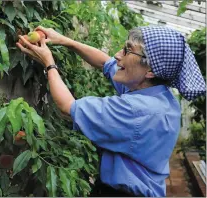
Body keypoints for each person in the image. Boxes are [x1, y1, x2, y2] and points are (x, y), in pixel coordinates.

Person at [16, 25, 206, 197]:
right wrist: (66, 41)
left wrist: (48, 62)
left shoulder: (136, 110)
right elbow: (104, 63)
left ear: (150, 70)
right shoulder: (157, 94)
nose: (117, 55)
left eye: (128, 50)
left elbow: (68, 107)